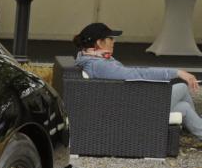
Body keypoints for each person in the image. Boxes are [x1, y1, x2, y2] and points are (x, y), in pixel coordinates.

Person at [73, 22, 202, 146]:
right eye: (110, 38)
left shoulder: (92, 58)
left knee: (184, 107)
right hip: (133, 110)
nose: (114, 41)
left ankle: (195, 130)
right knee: (182, 87)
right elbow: (138, 75)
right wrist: (176, 72)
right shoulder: (99, 65)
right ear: (99, 42)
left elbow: (133, 74)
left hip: (128, 104)